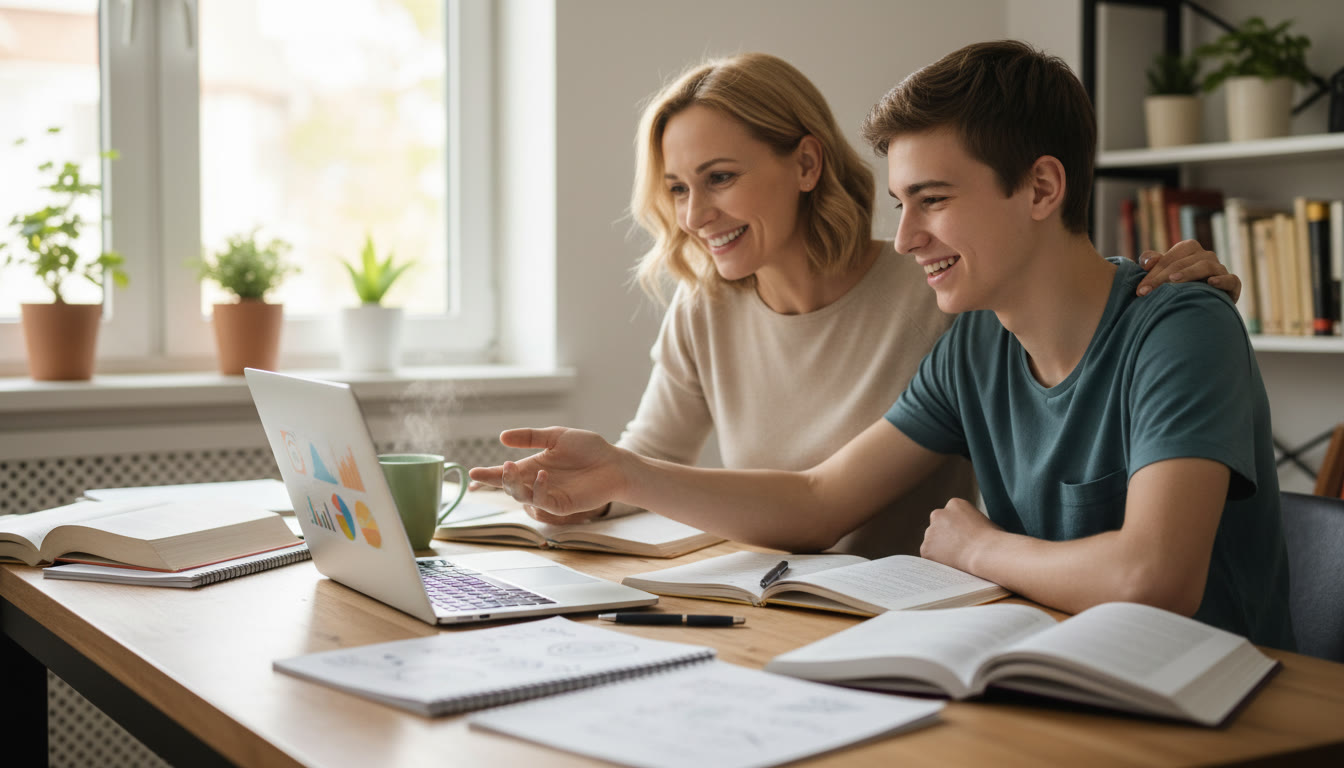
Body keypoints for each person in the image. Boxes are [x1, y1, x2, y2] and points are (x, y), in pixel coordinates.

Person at [470, 41, 1293, 649]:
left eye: (930, 200)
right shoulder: (976, 343)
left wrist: (982, 548)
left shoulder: (1176, 325)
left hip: (1209, 699)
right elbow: (824, 500)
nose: (904, 239)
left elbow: (1155, 578)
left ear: (1043, 187)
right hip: (1043, 662)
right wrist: (625, 472)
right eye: (901, 203)